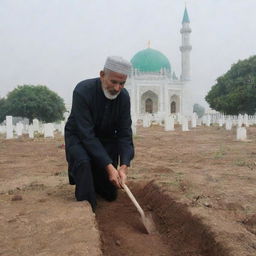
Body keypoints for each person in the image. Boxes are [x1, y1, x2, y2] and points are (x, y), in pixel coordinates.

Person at [64, 56, 134, 211]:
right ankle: (88, 205)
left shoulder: (123, 97)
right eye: (113, 82)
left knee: (110, 194)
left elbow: (124, 133)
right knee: (84, 165)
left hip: (106, 138)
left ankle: (96, 180)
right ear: (102, 75)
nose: (117, 88)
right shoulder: (83, 91)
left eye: (122, 83)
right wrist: (109, 167)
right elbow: (86, 134)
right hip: (79, 136)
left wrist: (123, 166)